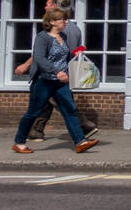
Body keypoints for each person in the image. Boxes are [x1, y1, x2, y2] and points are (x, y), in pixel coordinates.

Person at [13, 9, 99, 154]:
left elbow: (64, 57)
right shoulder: (42, 37)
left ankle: (80, 142)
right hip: (44, 81)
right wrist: (56, 71)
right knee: (33, 113)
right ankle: (19, 142)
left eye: (66, 19)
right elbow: (39, 58)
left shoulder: (63, 36)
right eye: (62, 19)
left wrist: (76, 53)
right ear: (52, 22)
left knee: (70, 110)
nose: (65, 22)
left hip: (61, 82)